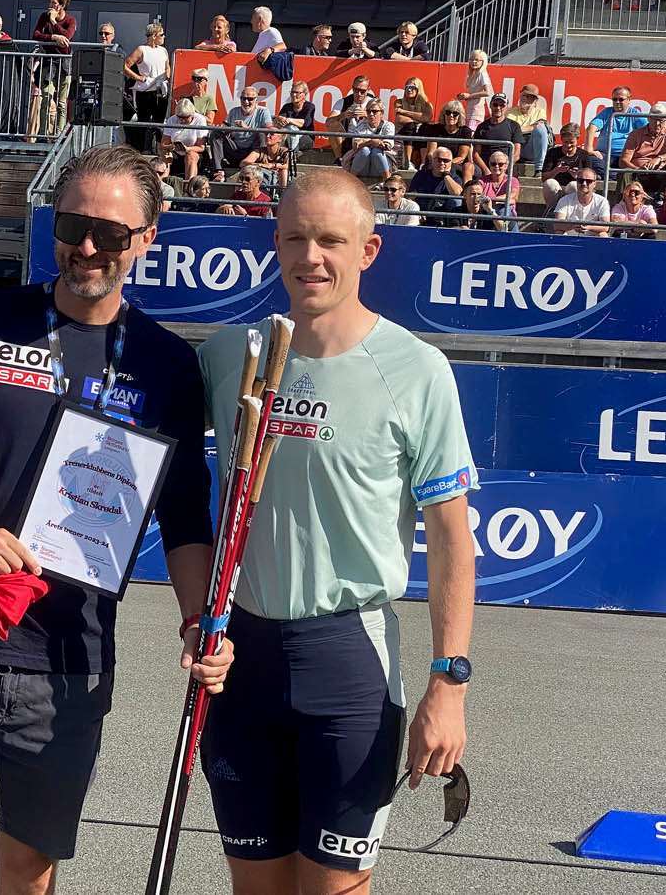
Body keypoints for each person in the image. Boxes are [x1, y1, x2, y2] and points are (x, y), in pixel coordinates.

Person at [0, 143, 227, 895]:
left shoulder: (165, 364)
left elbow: (185, 512)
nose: (87, 247)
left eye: (111, 233)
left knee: (29, 870)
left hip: (69, 660)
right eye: (71, 226)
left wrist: (200, 622)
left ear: (147, 238)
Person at [198, 166, 476, 895]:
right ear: (275, 243)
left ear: (368, 250)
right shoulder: (232, 356)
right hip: (241, 659)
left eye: (330, 240)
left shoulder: (416, 370)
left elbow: (452, 540)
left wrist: (449, 683)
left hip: (349, 663)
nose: (310, 257)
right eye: (294, 238)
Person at [29, 0, 75, 139]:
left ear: (62, 5)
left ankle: (59, 136)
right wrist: (53, 37)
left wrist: (54, 22)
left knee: (62, 103)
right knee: (46, 99)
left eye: (54, 3)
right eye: (50, 2)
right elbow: (36, 34)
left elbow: (66, 38)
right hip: (49, 63)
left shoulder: (70, 20)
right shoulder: (44, 16)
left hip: (64, 63)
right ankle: (43, 135)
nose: (50, 5)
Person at [617, 103, 666, 196]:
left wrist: (659, 158)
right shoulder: (635, 134)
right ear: (648, 119)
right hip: (638, 175)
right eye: (654, 120)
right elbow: (623, 161)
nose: (657, 124)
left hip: (661, 174)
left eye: (661, 121)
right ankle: (623, 202)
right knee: (625, 172)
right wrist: (638, 169)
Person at [124, 22, 170, 154]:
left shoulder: (163, 50)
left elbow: (167, 66)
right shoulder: (141, 49)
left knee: (159, 122)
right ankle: (144, 149)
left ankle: (160, 150)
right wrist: (138, 77)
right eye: (161, 34)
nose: (164, 37)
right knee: (144, 121)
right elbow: (125, 65)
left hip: (161, 90)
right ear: (154, 36)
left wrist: (167, 76)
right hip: (145, 91)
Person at [541, 122, 605, 210]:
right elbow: (544, 178)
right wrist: (556, 170)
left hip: (574, 189)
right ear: (561, 139)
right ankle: (552, 211)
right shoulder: (552, 152)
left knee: (573, 185)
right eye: (565, 142)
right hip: (557, 188)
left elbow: (590, 181)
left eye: (571, 142)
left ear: (577, 139)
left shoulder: (584, 155)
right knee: (549, 183)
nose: (568, 145)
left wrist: (578, 176)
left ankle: (572, 212)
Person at [213, 87, 271, 178]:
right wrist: (224, 129)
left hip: (253, 152)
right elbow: (225, 128)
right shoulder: (233, 111)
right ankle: (219, 171)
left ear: (256, 100)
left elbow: (270, 131)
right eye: (243, 98)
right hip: (235, 149)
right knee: (215, 133)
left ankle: (255, 167)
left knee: (262, 134)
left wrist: (247, 128)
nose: (246, 102)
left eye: (250, 99)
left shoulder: (263, 111)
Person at [585, 85, 647, 168]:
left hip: (627, 157)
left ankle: (614, 174)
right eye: (614, 99)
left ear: (629, 100)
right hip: (604, 155)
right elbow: (591, 128)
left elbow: (649, 130)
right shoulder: (606, 112)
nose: (617, 102)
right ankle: (614, 174)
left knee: (637, 164)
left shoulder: (635, 114)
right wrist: (589, 150)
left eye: (621, 99)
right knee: (590, 160)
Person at [409, 146, 464, 226]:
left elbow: (456, 193)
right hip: (422, 215)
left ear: (451, 163)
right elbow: (411, 197)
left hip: (444, 218)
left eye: (446, 161)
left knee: (456, 200)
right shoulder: (421, 174)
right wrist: (417, 213)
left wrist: (446, 175)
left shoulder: (455, 176)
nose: (442, 163)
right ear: (432, 160)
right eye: (439, 160)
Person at [469, 93, 521, 177]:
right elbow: (476, 154)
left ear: (507, 107)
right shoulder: (481, 127)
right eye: (495, 105)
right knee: (468, 167)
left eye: (502, 105)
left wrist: (503, 168)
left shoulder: (514, 126)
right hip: (485, 169)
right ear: (490, 105)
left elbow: (516, 154)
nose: (498, 108)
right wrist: (486, 171)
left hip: (505, 168)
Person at [341, 100, 396, 179]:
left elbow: (387, 145)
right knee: (365, 150)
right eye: (368, 111)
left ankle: (387, 179)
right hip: (363, 166)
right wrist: (371, 142)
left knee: (376, 151)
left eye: (374, 111)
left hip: (381, 166)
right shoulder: (361, 124)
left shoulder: (389, 125)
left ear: (381, 113)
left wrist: (364, 141)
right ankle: (351, 179)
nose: (371, 114)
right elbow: (355, 145)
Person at [423, 100, 474, 182]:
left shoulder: (465, 131)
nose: (451, 115)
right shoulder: (434, 129)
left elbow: (461, 157)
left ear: (460, 116)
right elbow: (431, 153)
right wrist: (439, 163)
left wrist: (446, 164)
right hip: (436, 162)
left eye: (455, 113)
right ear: (444, 114)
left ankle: (465, 189)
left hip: (456, 164)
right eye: (448, 112)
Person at [505, 83, 551, 174]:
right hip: (516, 148)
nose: (526, 99)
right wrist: (531, 127)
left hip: (531, 148)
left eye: (531, 97)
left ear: (535, 101)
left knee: (541, 128)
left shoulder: (540, 111)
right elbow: (509, 131)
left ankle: (539, 169)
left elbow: (539, 128)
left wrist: (519, 130)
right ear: (520, 95)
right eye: (525, 96)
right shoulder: (510, 112)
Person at [551, 167, 611, 235]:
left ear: (594, 184)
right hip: (569, 238)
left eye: (588, 181)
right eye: (580, 180)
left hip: (592, 238)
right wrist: (573, 226)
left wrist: (588, 227)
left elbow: (606, 227)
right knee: (558, 232)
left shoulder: (602, 201)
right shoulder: (564, 200)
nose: (584, 184)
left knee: (603, 234)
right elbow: (557, 225)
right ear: (577, 182)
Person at [161, 97, 209, 180]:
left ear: (192, 114)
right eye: (179, 117)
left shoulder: (200, 120)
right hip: (175, 152)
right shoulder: (172, 120)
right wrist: (171, 147)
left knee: (191, 155)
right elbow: (163, 144)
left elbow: (201, 147)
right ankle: (162, 182)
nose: (182, 120)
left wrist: (187, 149)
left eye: (185, 117)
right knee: (165, 155)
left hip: (195, 152)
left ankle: (189, 183)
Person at [394, 78, 433, 169]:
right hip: (403, 131)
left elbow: (427, 118)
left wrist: (404, 111)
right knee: (411, 126)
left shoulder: (427, 104)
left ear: (419, 89)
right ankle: (408, 162)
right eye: (407, 87)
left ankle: (423, 163)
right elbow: (400, 119)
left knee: (425, 127)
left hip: (420, 132)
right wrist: (418, 120)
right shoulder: (399, 102)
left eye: (412, 87)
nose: (409, 90)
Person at [479, 150, 520, 227]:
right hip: (486, 215)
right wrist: (501, 201)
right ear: (489, 165)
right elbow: (479, 197)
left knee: (503, 209)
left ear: (506, 166)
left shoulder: (512, 180)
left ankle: (503, 229)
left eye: (500, 164)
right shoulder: (482, 181)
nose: (497, 166)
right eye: (493, 164)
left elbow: (512, 196)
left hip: (506, 217)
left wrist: (490, 201)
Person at [274, 80, 316, 152]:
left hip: (306, 137)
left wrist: (289, 120)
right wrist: (280, 120)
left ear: (304, 94)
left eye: (297, 92)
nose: (294, 95)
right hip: (288, 136)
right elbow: (280, 119)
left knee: (292, 135)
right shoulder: (287, 106)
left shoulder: (310, 106)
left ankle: (292, 156)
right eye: (292, 92)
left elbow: (305, 123)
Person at [456, 49, 492, 129]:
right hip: (470, 111)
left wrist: (469, 96)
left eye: (477, 60)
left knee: (470, 133)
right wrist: (464, 96)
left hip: (476, 113)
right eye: (471, 59)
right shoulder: (473, 74)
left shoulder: (482, 74)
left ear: (483, 62)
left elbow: (487, 92)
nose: (473, 62)